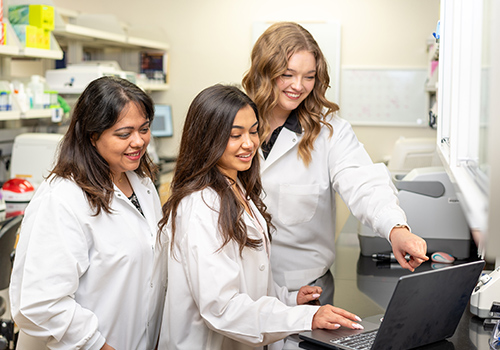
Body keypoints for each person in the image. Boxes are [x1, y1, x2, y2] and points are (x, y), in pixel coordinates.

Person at [158, 84, 364, 350]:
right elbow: (223, 308)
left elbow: (249, 280)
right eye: (235, 135)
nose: (249, 143)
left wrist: (289, 299)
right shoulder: (202, 205)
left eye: (254, 131)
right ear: (207, 139)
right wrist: (306, 317)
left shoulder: (237, 187)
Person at [242, 22, 428, 305]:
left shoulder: (329, 132)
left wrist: (396, 229)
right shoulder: (235, 123)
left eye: (309, 77)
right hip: (241, 286)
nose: (298, 86)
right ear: (264, 71)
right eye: (287, 74)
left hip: (304, 288)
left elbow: (363, 182)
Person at [9, 76, 167, 350]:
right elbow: (41, 303)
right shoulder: (63, 198)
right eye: (124, 133)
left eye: (144, 129)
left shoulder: (140, 183)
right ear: (92, 136)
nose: (139, 141)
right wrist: (99, 346)